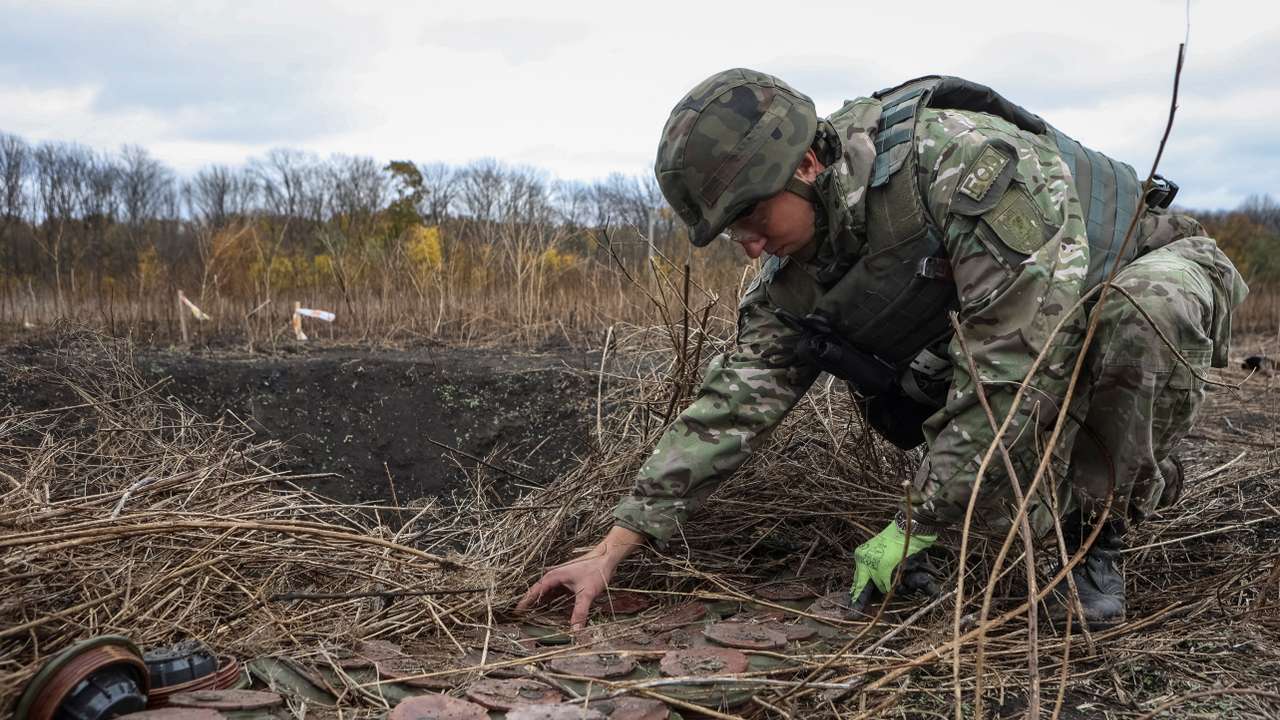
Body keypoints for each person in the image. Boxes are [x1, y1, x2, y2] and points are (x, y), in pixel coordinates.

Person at [518, 69, 1248, 629]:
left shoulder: (965, 167)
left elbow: (1014, 380)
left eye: (749, 215)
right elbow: (730, 407)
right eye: (726, 231)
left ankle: (1096, 533)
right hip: (1021, 330)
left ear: (806, 164)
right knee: (918, 384)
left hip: (1136, 271)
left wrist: (912, 529)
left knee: (1144, 315)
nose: (747, 245)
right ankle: (1021, 513)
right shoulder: (787, 281)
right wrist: (614, 548)